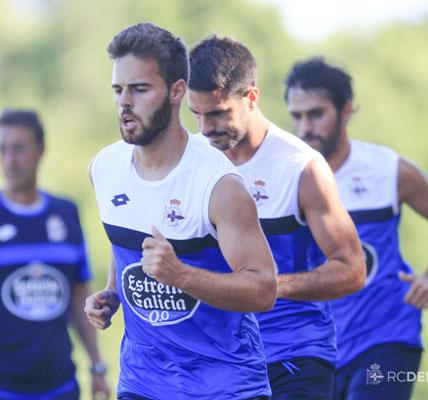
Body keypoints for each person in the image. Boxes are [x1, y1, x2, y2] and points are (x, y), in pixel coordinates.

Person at [83, 23, 277, 400]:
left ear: (176, 92)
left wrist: (182, 275)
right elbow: (124, 241)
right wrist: (112, 293)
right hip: (142, 384)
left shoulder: (218, 184)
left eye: (140, 90)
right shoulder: (103, 168)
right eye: (118, 90)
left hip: (224, 386)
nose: (125, 102)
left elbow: (263, 288)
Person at [188, 36, 365, 400]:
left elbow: (352, 269)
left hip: (295, 355)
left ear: (251, 97)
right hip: (220, 360)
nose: (205, 128)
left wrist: (269, 286)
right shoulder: (191, 161)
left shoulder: (301, 167)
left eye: (218, 113)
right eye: (197, 114)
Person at [284, 57, 428, 400]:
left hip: (384, 337)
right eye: (297, 116)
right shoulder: (284, 179)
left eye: (316, 114)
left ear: (346, 110)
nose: (305, 126)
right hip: (314, 346)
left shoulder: (387, 170)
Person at [0, 109, 111, 400]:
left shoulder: (66, 215)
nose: (10, 160)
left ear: (41, 149)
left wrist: (97, 367)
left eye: (19, 148)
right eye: (2, 149)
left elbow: (79, 293)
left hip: (59, 386)